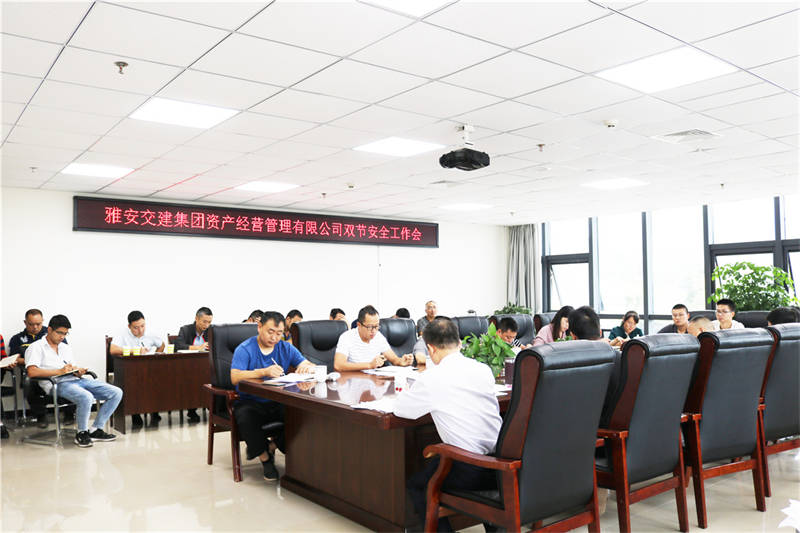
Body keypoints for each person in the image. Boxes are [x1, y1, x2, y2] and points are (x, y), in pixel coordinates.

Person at [395, 317, 501, 531]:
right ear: (460, 343)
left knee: (418, 485)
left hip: (470, 470)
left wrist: (407, 391)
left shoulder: (431, 378)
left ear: (430, 349)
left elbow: (402, 410)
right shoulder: (483, 369)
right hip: (502, 466)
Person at [230, 311, 315, 481]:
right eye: (270, 332)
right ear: (259, 327)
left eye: (279, 333)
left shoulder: (285, 347)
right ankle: (265, 459)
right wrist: (263, 372)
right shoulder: (245, 349)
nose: (275, 338)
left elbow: (308, 363)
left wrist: (308, 367)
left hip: (277, 400)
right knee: (245, 417)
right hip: (250, 401)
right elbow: (235, 377)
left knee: (303, 416)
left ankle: (271, 446)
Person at [25, 315, 122, 447]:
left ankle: (95, 429)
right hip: (56, 384)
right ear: (49, 330)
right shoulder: (36, 347)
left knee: (116, 392)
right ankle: (82, 433)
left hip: (75, 380)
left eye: (65, 334)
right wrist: (59, 371)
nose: (62, 337)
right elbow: (32, 372)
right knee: (86, 396)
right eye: (59, 333)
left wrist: (77, 371)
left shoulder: (65, 347)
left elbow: (70, 367)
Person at [110, 310, 165, 427]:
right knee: (133, 381)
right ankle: (135, 413)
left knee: (158, 379)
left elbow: (162, 345)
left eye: (142, 326)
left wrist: (156, 358)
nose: (140, 330)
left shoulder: (150, 333)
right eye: (136, 327)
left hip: (148, 369)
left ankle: (154, 410)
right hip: (129, 370)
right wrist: (133, 351)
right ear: (129, 326)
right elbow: (113, 350)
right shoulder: (122, 334)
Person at [334, 305, 414, 371]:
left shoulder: (378, 336)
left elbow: (394, 359)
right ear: (359, 325)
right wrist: (369, 365)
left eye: (376, 326)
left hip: (373, 380)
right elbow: (338, 365)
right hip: (353, 380)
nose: (374, 331)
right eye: (370, 327)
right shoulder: (347, 337)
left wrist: (402, 361)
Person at [8, 309, 52, 427]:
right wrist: (32, 362)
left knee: (69, 379)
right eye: (31, 324)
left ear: (43, 321)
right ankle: (40, 416)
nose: (35, 327)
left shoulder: (52, 335)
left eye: (38, 324)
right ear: (25, 322)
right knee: (29, 381)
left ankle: (69, 413)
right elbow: (14, 358)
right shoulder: (17, 339)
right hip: (32, 372)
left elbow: (63, 353)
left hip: (53, 369)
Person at [175, 307, 213, 422]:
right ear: (196, 319)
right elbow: (178, 346)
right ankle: (192, 409)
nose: (207, 325)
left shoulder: (211, 331)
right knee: (192, 379)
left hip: (206, 367)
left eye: (209, 322)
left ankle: (211, 406)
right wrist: (198, 347)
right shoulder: (185, 330)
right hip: (188, 367)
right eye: (204, 321)